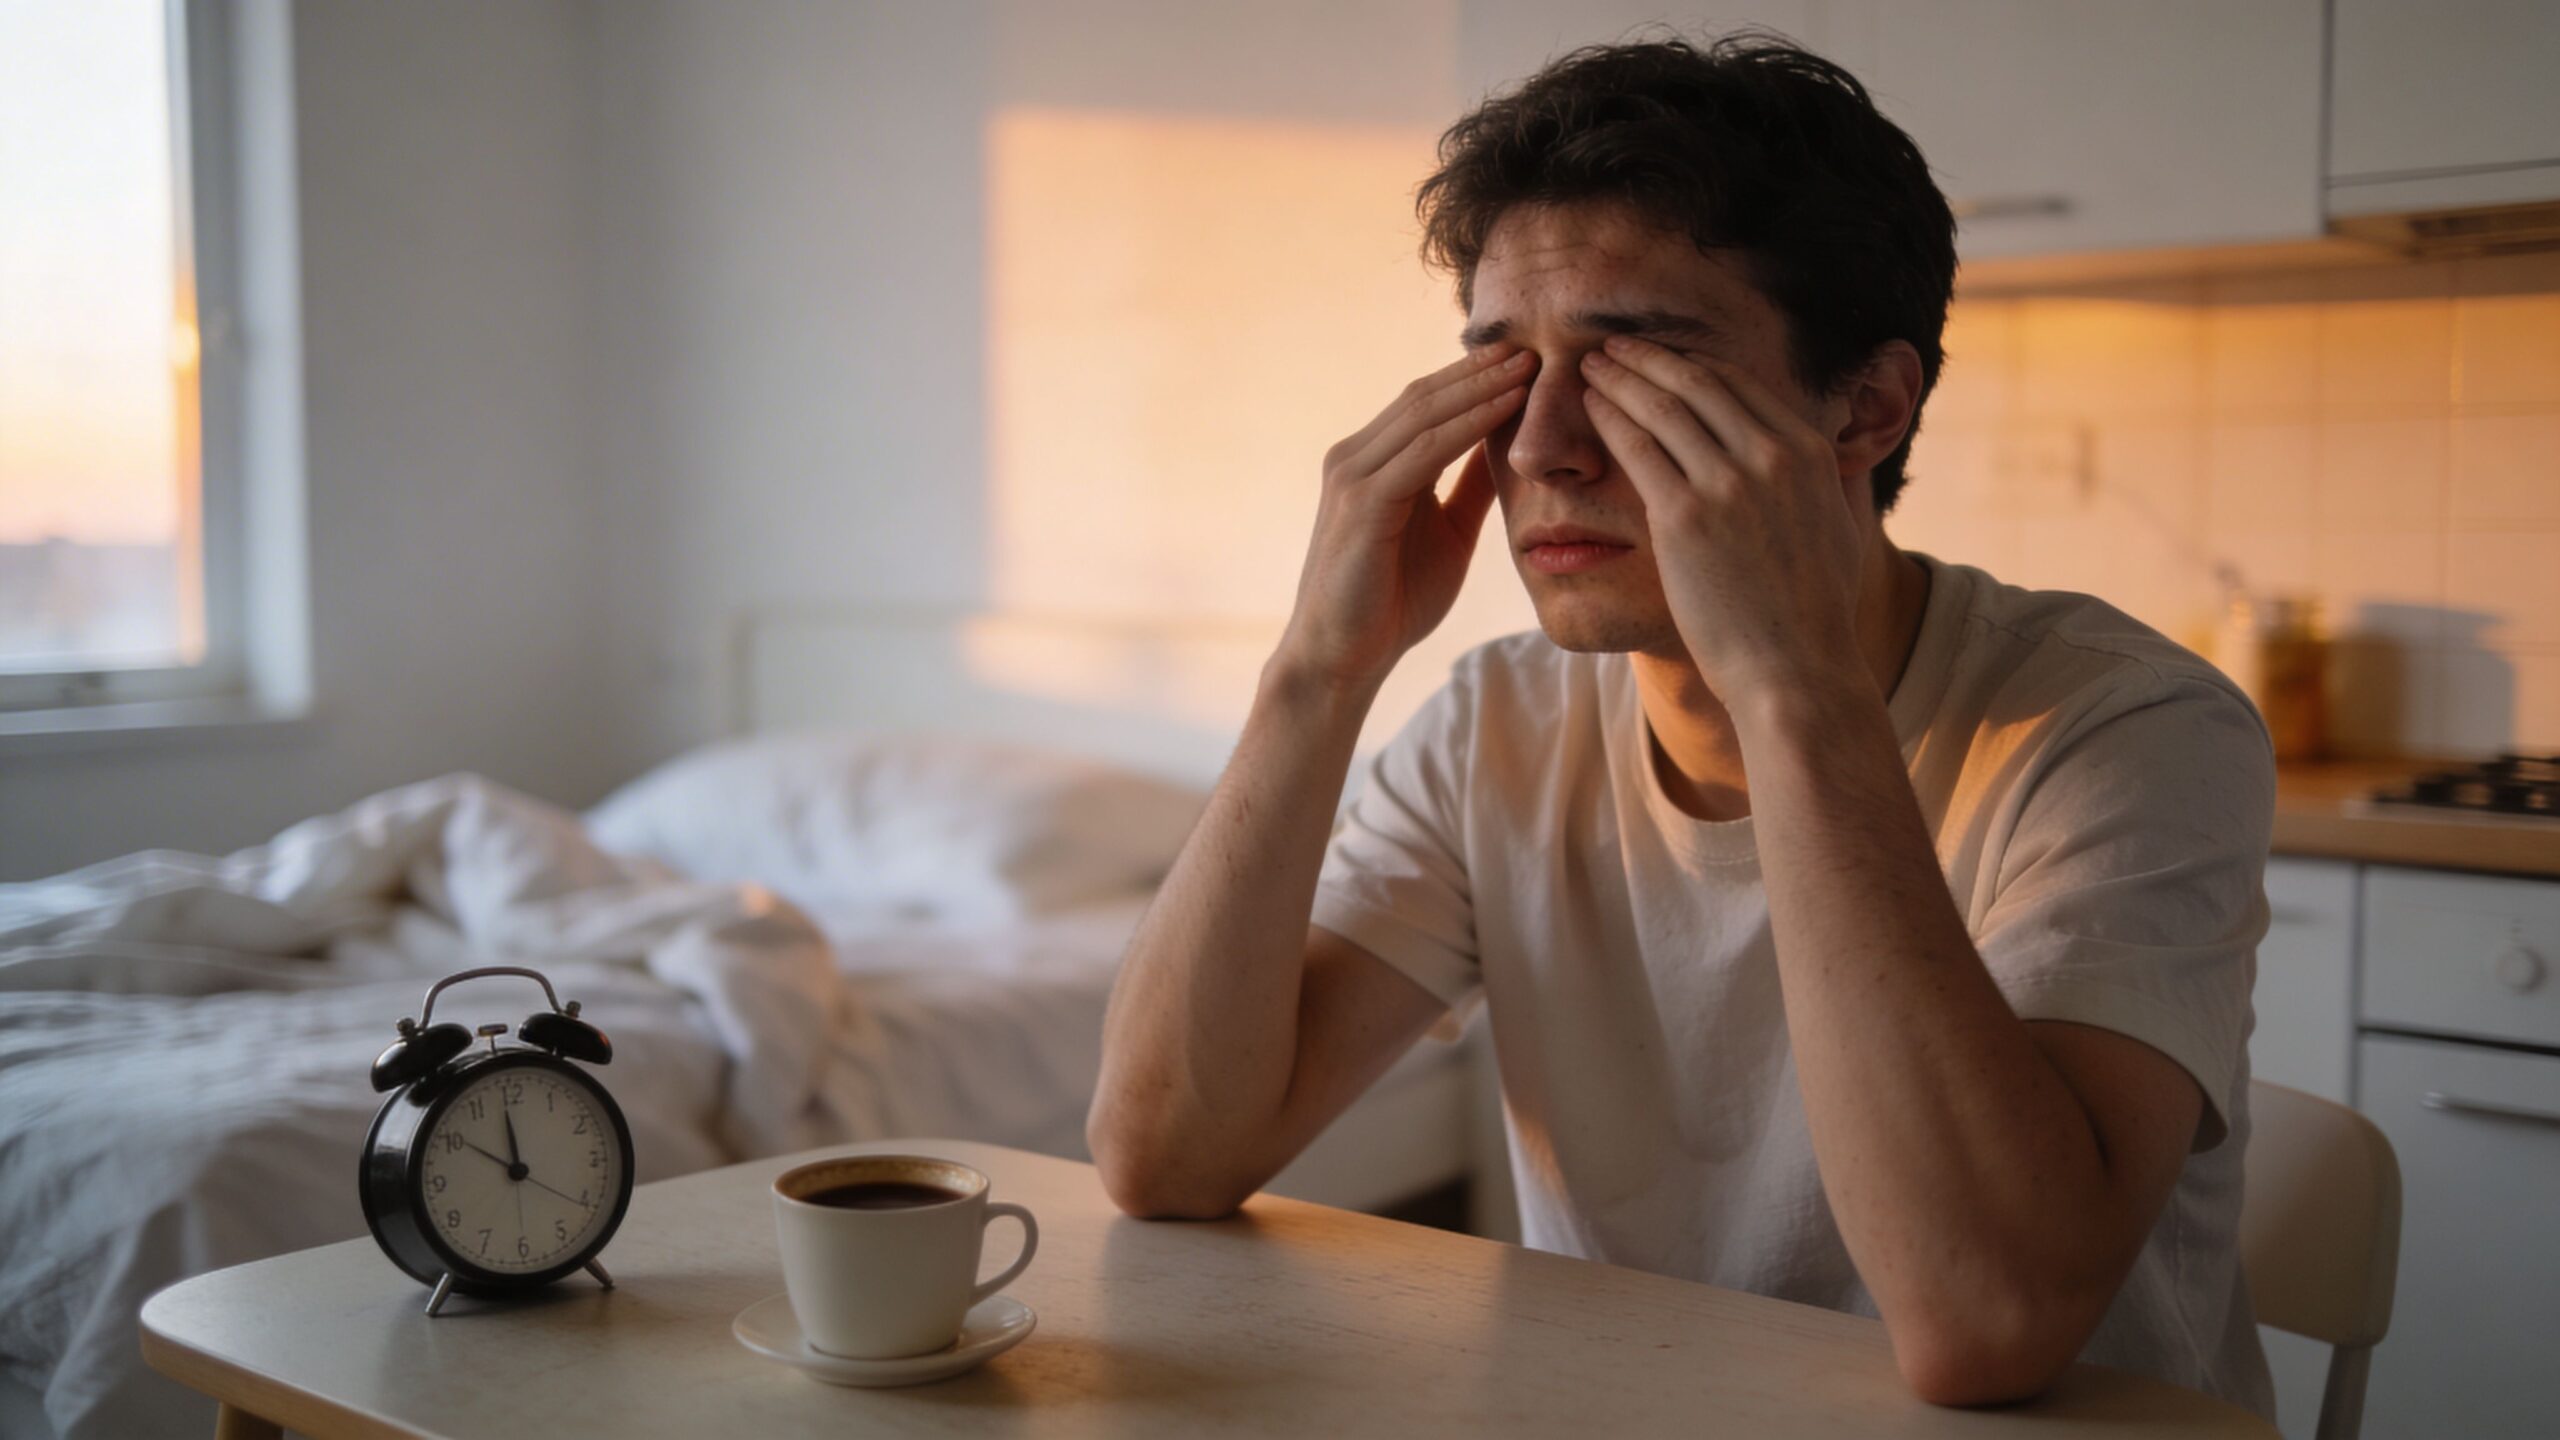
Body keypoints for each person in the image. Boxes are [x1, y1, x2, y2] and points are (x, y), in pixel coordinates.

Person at [1087, 33, 2276, 1419]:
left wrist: (1791, 687)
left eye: (1632, 360)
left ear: (1867, 408)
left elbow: (1987, 1326)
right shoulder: (1497, 721)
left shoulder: (2125, 727)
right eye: (1503, 367)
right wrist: (1317, 670)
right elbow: (1163, 1156)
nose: (1537, 445)